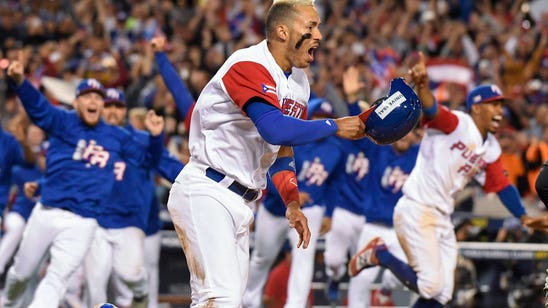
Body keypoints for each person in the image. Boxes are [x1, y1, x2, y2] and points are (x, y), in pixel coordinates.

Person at [166, 1, 369, 306]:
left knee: (224, 301)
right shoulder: (249, 64)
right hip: (207, 190)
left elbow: (280, 148)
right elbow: (273, 129)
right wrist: (334, 126)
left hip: (241, 201)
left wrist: (291, 201)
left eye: (319, 27)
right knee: (221, 299)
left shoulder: (299, 82)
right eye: (311, 27)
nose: (319, 36)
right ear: (282, 31)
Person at [349, 52, 542, 307]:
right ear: (476, 107)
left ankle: (385, 257)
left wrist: (522, 215)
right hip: (418, 207)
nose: (499, 110)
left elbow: (502, 185)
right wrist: (423, 87)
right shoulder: (458, 123)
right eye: (492, 104)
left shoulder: (492, 147)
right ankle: (381, 254)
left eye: (500, 105)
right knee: (430, 285)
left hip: (441, 216)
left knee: (441, 294)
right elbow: (432, 109)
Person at [3, 52, 165, 308]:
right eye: (87, 96)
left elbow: (146, 161)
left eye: (98, 98)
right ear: (77, 102)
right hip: (48, 211)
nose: (94, 101)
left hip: (84, 221)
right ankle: (8, 303)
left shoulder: (115, 136)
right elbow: (39, 107)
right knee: (20, 275)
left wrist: (156, 138)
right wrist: (21, 83)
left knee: (57, 278)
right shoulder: (62, 121)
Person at [84, 88, 184, 308]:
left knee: (130, 280)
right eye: (107, 105)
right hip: (95, 221)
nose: (112, 111)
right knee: (95, 284)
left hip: (134, 221)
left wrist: (203, 182)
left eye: (117, 106)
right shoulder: (89, 139)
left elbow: (172, 167)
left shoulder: (141, 140)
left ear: (124, 111)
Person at [243, 98, 342, 308]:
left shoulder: (335, 148)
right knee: (262, 257)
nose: (320, 120)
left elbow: (334, 184)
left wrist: (329, 213)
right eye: (316, 115)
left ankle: (295, 305)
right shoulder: (293, 138)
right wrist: (291, 194)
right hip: (275, 208)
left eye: (324, 117)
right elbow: (269, 171)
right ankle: (248, 301)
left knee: (304, 260)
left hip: (311, 209)